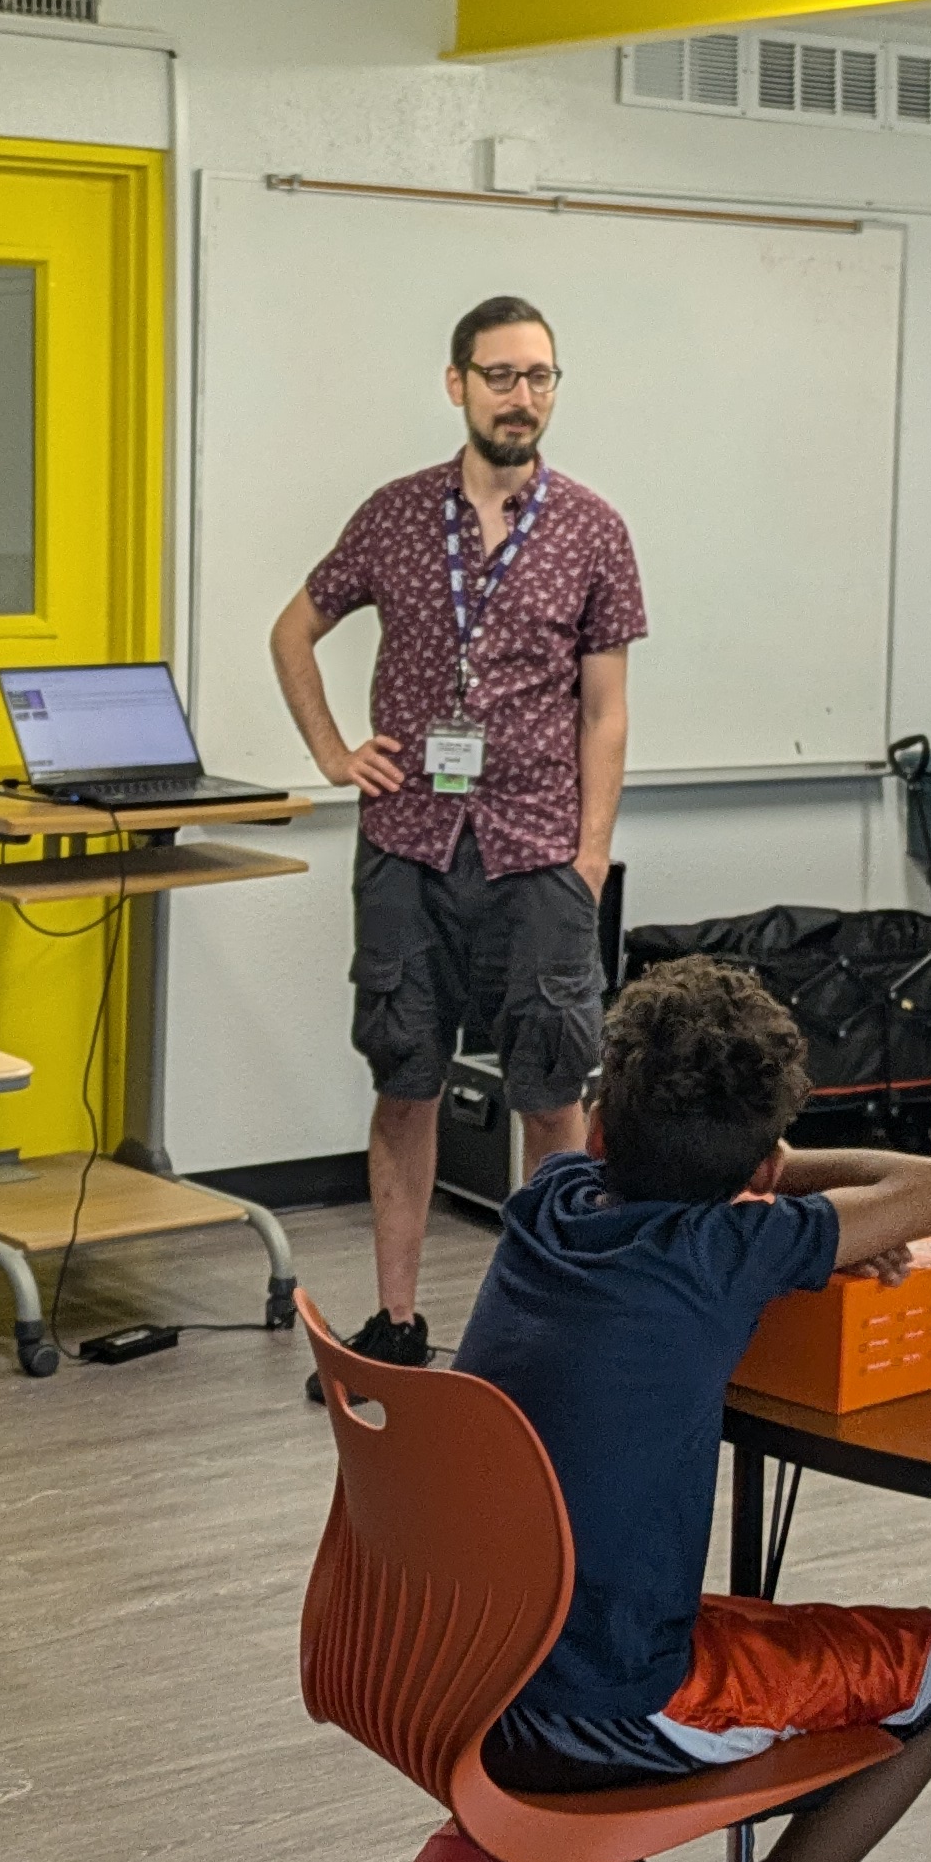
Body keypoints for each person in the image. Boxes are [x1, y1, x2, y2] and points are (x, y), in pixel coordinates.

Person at [400, 957, 931, 1862]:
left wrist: (744, 1179)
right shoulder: (732, 1244)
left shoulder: (550, 1200)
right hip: (611, 1708)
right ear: (766, 1163)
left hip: (459, 1669)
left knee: (661, 1596)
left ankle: (480, 1858)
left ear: (603, 1121)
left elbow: (661, 1172)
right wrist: (781, 1191)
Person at [266, 293, 643, 1371]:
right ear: (456, 384)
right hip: (409, 842)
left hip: (539, 847)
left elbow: (606, 708)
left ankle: (545, 1325)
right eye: (500, 376)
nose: (520, 397)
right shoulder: (392, 515)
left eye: (539, 378)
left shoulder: (592, 530)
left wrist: (589, 851)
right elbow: (294, 627)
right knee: (405, 1079)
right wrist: (336, 754)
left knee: (552, 1093)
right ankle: (396, 1322)